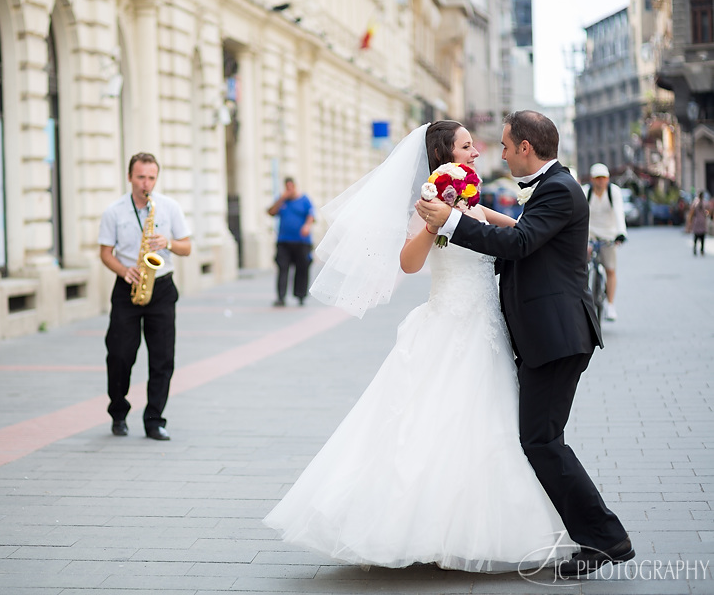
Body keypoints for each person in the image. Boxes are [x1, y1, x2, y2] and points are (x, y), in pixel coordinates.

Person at [264, 121, 577, 572]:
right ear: (444, 155)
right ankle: (418, 529)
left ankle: (481, 527)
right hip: (447, 322)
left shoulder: (478, 205)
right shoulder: (426, 206)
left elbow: (522, 239)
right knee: (431, 420)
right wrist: (435, 222)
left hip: (487, 326)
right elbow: (408, 265)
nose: (477, 151)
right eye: (467, 146)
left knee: (493, 425)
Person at [417, 111, 633, 578]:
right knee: (542, 440)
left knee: (541, 441)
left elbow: (521, 245)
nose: (501, 152)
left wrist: (453, 222)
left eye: (507, 145)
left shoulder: (557, 188)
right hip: (546, 335)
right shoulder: (551, 186)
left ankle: (606, 538)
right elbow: (525, 241)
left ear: (527, 149)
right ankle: (600, 536)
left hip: (557, 336)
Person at [98, 153, 191, 441]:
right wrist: (124, 271)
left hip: (161, 288)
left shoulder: (169, 207)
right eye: (140, 177)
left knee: (163, 358)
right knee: (120, 355)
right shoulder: (114, 211)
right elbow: (104, 253)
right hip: (128, 286)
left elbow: (187, 247)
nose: (145, 183)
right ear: (129, 177)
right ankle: (118, 411)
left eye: (151, 177)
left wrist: (169, 242)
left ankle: (154, 420)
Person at [583, 163, 627, 321]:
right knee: (583, 268)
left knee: (610, 270)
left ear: (608, 179)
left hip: (609, 235)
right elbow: (581, 216)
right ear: (591, 179)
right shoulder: (586, 192)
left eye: (603, 178)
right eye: (597, 178)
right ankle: (584, 302)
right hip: (590, 234)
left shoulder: (613, 191)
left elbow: (619, 213)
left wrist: (621, 233)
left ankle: (610, 305)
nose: (600, 182)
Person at [267, 177, 315, 306]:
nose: (289, 190)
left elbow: (311, 215)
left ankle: (300, 296)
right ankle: (281, 297)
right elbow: (271, 212)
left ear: (295, 186)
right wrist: (281, 198)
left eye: (291, 187)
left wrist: (306, 226)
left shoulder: (304, 200)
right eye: (287, 187)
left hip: (302, 241)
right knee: (282, 268)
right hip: (284, 241)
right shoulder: (282, 201)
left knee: (302, 268)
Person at [687, 191, 709, 256]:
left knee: (696, 236)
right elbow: (707, 212)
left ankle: (695, 249)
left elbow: (691, 212)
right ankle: (702, 250)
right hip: (702, 221)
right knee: (702, 237)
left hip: (696, 221)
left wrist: (690, 221)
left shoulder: (695, 203)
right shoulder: (705, 203)